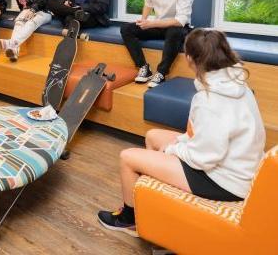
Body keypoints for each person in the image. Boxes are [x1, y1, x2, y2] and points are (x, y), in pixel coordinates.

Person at [97, 29, 266, 237]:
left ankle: (129, 220)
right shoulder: (236, 83)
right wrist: (177, 145)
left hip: (224, 181)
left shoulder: (211, 100)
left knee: (127, 158)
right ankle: (153, 205)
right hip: (233, 166)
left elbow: (204, 157)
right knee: (152, 135)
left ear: (189, 59)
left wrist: (172, 150)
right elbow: (206, 140)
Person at [120, 0, 193, 88]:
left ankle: (161, 72)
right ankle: (144, 67)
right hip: (158, 25)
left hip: (177, 28)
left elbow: (180, 20)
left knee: (175, 31)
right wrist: (143, 21)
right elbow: (148, 4)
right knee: (126, 28)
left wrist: (151, 23)